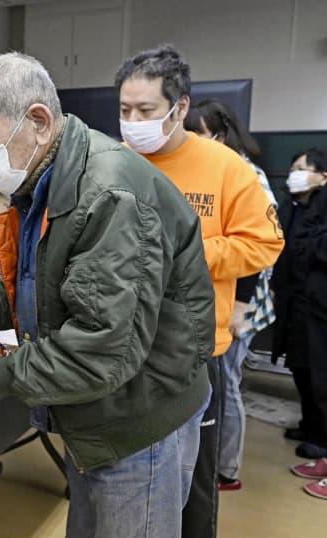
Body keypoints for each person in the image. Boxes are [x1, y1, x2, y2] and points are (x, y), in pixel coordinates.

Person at [0, 51, 216, 538]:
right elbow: (38, 287)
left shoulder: (106, 195)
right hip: (97, 418)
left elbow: (98, 351)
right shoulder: (46, 181)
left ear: (40, 122)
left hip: (140, 422)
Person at [115, 44, 285, 538]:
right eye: (124, 110)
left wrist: (187, 252)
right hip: (123, 345)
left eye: (145, 111)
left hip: (193, 350)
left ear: (180, 108)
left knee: (193, 484)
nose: (133, 121)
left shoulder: (226, 168)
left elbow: (264, 243)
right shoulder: (115, 162)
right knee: (128, 473)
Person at [184, 99, 279, 491]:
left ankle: (226, 468)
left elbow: (256, 251)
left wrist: (238, 310)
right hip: (214, 301)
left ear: (219, 136)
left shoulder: (244, 175)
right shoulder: (206, 169)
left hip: (240, 304)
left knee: (227, 387)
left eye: (198, 135)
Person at [271, 148, 327, 472]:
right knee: (300, 367)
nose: (294, 173)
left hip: (317, 304)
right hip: (295, 300)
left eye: (302, 168)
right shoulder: (293, 207)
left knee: (317, 372)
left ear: (322, 176)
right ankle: (309, 425)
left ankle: (321, 437)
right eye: (292, 168)